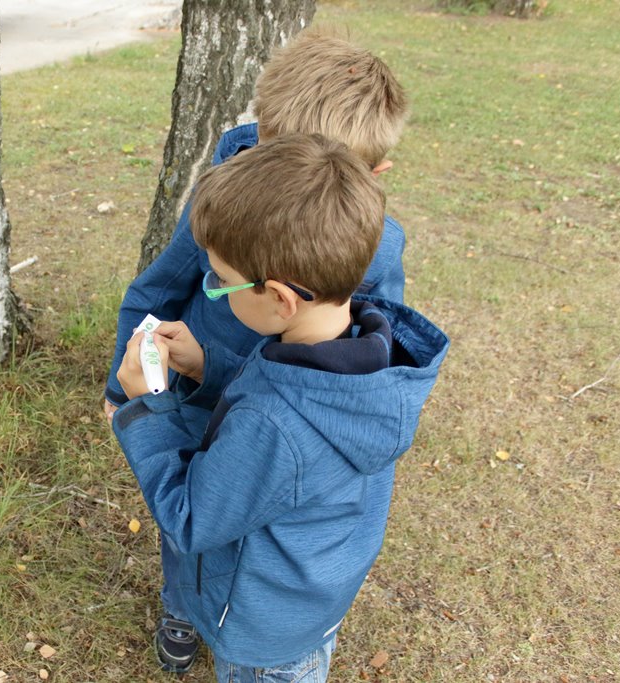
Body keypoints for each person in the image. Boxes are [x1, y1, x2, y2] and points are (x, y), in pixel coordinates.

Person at [105, 30, 412, 672]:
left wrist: (140, 417)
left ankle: (217, 610)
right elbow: (162, 286)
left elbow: (200, 506)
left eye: (222, 277)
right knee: (206, 518)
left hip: (265, 604)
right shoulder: (347, 363)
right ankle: (187, 604)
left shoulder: (282, 423)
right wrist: (192, 371)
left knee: (207, 511)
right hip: (204, 393)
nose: (212, 285)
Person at [105, 30, 410, 415]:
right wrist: (122, 389)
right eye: (266, 167)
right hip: (190, 403)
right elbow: (158, 289)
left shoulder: (378, 253)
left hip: (273, 420)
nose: (272, 201)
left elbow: (365, 368)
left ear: (374, 174)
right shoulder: (225, 202)